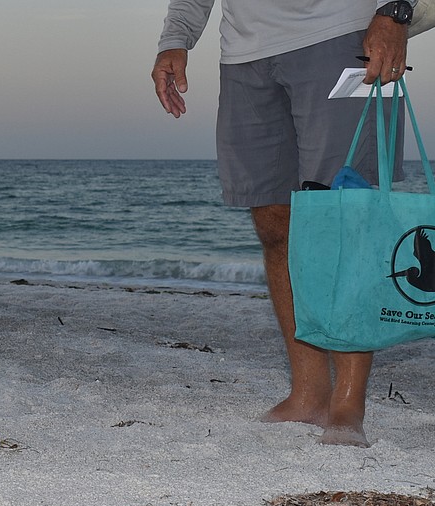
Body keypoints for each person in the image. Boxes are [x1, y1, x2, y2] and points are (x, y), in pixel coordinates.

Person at [152, 0, 415, 447]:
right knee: (275, 223)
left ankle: (348, 402)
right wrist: (176, 39)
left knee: (344, 219)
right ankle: (309, 394)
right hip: (245, 55)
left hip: (340, 35)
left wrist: (395, 13)